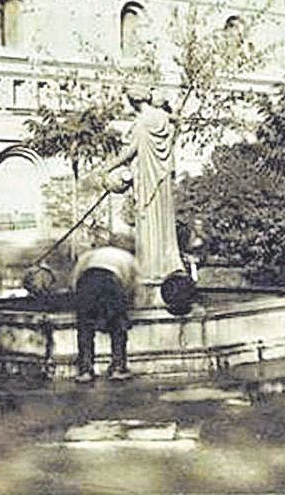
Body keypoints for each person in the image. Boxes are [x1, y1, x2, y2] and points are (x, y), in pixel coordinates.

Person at [101, 85, 182, 285]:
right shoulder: (163, 118)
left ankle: (151, 269)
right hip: (161, 180)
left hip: (147, 180)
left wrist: (107, 167)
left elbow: (130, 151)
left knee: (148, 222)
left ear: (134, 102)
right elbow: (176, 122)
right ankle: (169, 266)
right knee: (163, 222)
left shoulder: (141, 123)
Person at [71, 244, 139, 383]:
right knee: (118, 327)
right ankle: (118, 368)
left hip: (87, 281)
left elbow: (75, 278)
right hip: (110, 281)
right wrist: (126, 306)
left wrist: (80, 302)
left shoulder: (89, 255)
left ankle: (85, 370)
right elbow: (132, 285)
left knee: (85, 328)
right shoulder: (129, 258)